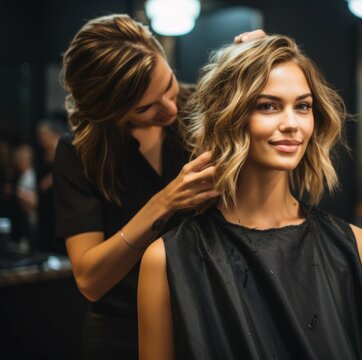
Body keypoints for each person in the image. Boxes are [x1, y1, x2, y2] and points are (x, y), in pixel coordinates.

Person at [138, 35, 362, 360]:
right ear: (229, 118)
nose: (291, 124)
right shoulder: (168, 261)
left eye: (302, 106)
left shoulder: (358, 251)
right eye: (268, 106)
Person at [53, 14, 264, 359]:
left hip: (209, 321)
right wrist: (164, 202)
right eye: (145, 107)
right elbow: (90, 280)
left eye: (168, 85)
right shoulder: (79, 154)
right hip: (122, 333)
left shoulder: (205, 112)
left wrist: (262, 67)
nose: (169, 107)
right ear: (107, 111)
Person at [36, 118, 68, 253]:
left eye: (43, 135)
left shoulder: (64, 148)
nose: (41, 140)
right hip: (48, 208)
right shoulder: (43, 155)